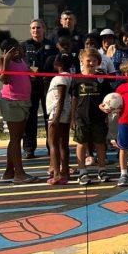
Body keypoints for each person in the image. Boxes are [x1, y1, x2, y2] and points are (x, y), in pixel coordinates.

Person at [0, 30, 38, 183]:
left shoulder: (22, 60)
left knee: (16, 138)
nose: (17, 52)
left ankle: (8, 172)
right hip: (12, 102)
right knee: (15, 139)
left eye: (18, 48)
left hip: (24, 101)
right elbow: (4, 79)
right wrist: (7, 59)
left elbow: (26, 74)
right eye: (13, 50)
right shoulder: (2, 61)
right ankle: (19, 173)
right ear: (5, 51)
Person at [70, 48, 111, 185]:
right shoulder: (76, 79)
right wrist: (72, 117)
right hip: (81, 117)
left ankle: (102, 169)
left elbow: (107, 98)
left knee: (100, 143)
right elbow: (74, 99)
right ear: (82, 60)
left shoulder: (102, 79)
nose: (91, 63)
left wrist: (106, 112)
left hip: (98, 117)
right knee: (82, 143)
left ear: (98, 62)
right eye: (88, 60)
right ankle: (82, 171)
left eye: (94, 61)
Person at [21, 18, 56, 158]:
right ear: (30, 30)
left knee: (50, 116)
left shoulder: (52, 45)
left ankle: (51, 146)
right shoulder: (24, 46)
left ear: (44, 29)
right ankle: (29, 148)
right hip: (30, 86)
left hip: (48, 86)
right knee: (30, 118)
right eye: (33, 28)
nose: (36, 30)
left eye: (39, 28)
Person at [45, 54, 73, 185]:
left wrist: (55, 118)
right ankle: (65, 171)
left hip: (57, 112)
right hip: (64, 112)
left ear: (57, 65)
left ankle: (56, 174)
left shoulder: (61, 78)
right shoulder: (69, 76)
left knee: (53, 143)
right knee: (62, 143)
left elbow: (60, 99)